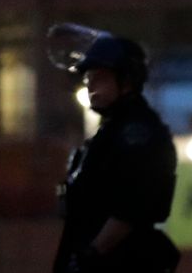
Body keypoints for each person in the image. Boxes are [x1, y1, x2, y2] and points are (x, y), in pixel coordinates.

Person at [51, 31, 180, 273]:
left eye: (99, 77)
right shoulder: (112, 131)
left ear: (127, 81)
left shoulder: (137, 134)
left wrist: (92, 254)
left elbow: (132, 207)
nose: (90, 86)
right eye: (88, 79)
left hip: (121, 262)